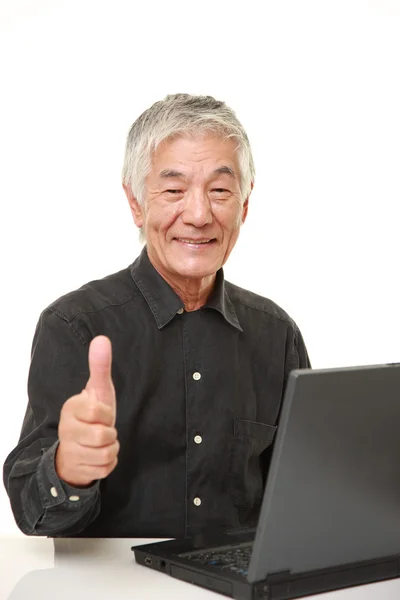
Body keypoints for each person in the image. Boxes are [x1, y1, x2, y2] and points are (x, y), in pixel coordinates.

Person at [3, 93, 310, 538]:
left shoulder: (277, 334)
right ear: (136, 204)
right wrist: (68, 468)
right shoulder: (74, 325)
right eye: (173, 189)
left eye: (220, 190)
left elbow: (300, 499)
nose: (200, 214)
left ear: (244, 205)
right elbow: (32, 513)